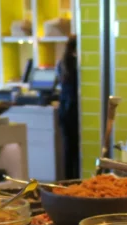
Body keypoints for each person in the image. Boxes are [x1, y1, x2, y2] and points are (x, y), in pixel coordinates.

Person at [56, 35, 79, 180]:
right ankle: (76, 179)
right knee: (76, 151)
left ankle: (68, 180)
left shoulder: (63, 62)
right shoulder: (76, 63)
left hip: (65, 110)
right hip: (74, 110)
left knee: (68, 150)